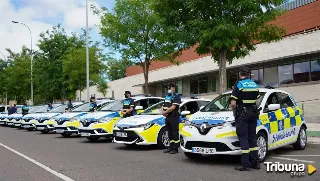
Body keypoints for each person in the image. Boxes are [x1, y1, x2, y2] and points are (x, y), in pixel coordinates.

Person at [230, 67, 260, 171]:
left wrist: (234, 109)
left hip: (242, 114)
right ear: (248, 74)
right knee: (252, 138)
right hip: (253, 113)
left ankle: (245, 164)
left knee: (243, 138)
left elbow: (233, 103)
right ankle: (255, 162)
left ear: (240, 74)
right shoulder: (254, 84)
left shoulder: (238, 84)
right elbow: (256, 101)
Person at [161, 83, 181, 154]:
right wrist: (163, 112)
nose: (168, 89)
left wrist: (165, 112)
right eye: (168, 88)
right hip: (168, 117)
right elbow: (162, 105)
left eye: (170, 88)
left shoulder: (176, 96)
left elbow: (173, 107)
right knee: (169, 133)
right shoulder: (167, 96)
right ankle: (170, 147)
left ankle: (175, 148)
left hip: (174, 116)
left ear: (173, 88)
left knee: (174, 133)